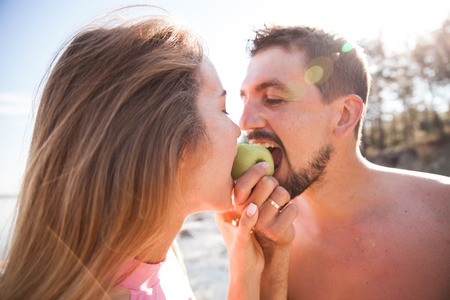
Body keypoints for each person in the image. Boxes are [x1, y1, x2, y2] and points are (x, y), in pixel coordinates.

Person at [0, 14, 297, 299]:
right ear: (173, 141)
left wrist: (249, 264)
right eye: (223, 110)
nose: (238, 129)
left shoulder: (164, 258)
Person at [239, 25, 450, 299]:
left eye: (274, 99)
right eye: (244, 99)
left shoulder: (443, 217)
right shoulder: (258, 229)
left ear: (344, 116)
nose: (244, 121)